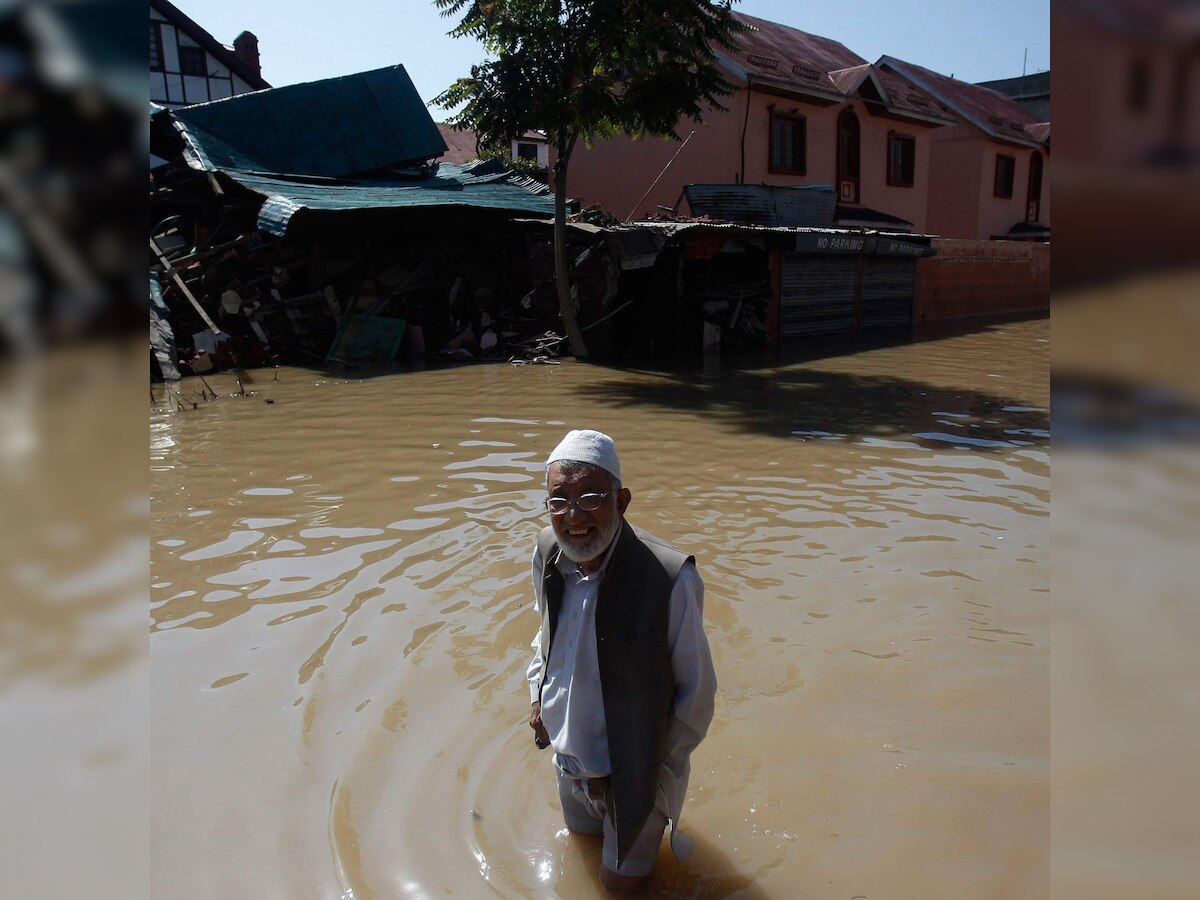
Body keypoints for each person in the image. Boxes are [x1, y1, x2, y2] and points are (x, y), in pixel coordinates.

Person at [527, 429, 717, 893]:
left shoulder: (670, 578)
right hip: (567, 764)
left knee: (620, 890)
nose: (573, 516)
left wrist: (644, 778)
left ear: (622, 500)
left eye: (591, 497)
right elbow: (544, 638)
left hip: (632, 780)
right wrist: (537, 698)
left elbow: (697, 697)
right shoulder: (549, 554)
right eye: (559, 499)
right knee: (582, 856)